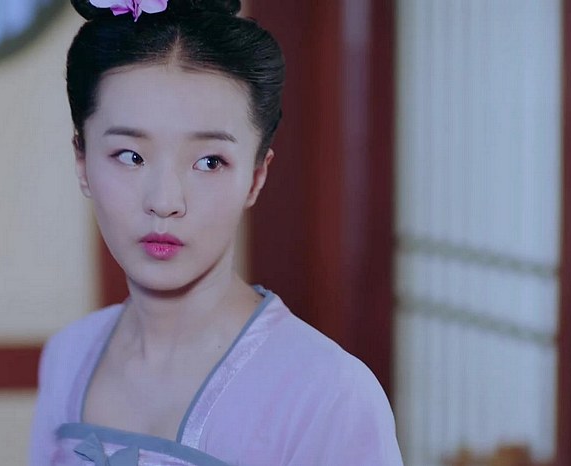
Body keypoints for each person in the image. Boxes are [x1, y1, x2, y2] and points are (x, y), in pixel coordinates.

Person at [30, 0, 403, 464]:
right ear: (82, 161)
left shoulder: (328, 394)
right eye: (130, 156)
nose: (165, 200)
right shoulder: (68, 356)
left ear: (256, 178)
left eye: (209, 162)